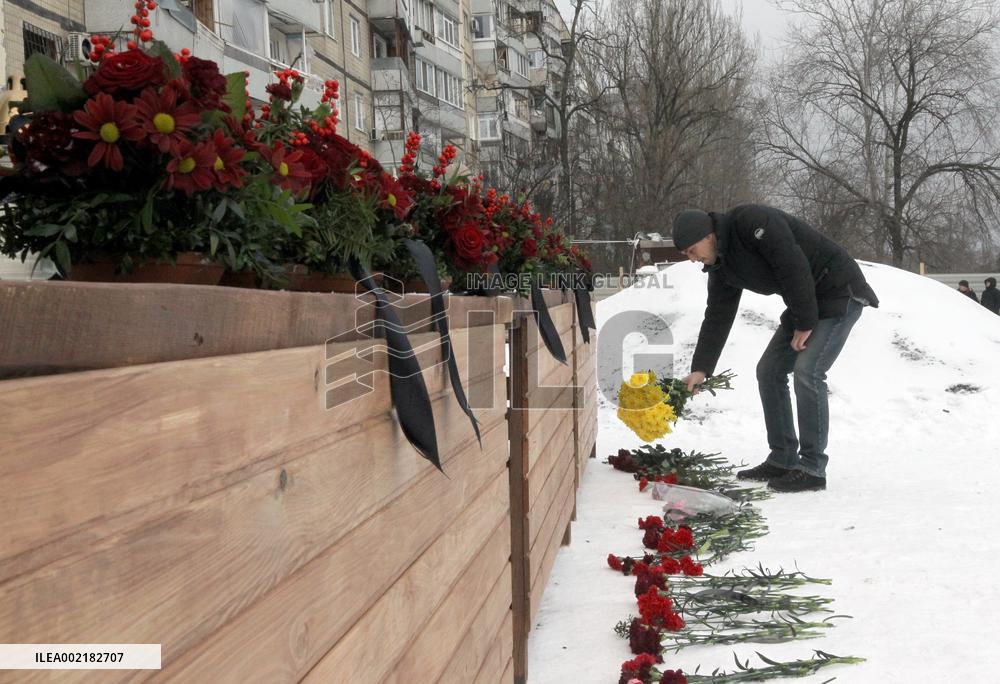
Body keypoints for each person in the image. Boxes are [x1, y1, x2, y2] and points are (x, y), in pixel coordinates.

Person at [673, 204, 878, 493]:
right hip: (805, 300)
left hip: (838, 290)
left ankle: (812, 468)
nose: (693, 259)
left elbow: (792, 265)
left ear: (708, 235)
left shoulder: (751, 221)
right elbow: (717, 314)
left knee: (808, 371)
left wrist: (804, 322)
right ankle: (783, 459)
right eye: (687, 255)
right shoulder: (721, 265)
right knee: (769, 370)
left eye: (692, 251)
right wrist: (701, 368)